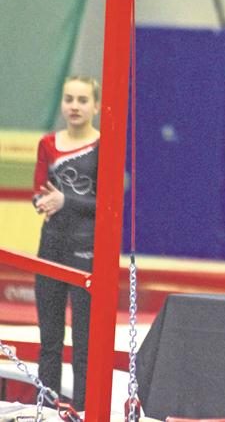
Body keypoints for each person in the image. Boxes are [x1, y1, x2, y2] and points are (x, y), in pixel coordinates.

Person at [32, 75, 100, 411]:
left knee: (84, 343)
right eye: (69, 99)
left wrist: (66, 202)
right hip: (51, 247)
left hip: (87, 251)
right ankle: (44, 410)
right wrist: (41, 202)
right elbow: (37, 190)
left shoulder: (104, 145)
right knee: (50, 341)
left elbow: (108, 205)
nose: (74, 106)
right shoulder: (47, 143)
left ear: (96, 106)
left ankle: (85, 410)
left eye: (82, 100)